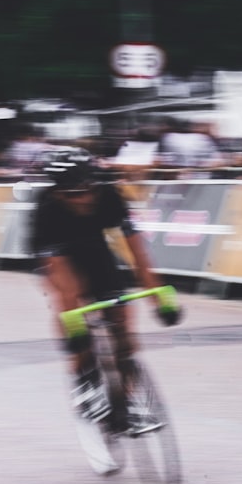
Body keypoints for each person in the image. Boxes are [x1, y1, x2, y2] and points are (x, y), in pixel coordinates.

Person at [29, 148, 182, 440]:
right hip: (58, 257)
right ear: (58, 193)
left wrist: (159, 300)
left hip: (96, 253)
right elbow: (65, 288)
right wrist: (75, 329)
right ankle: (83, 381)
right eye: (72, 194)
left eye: (87, 190)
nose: (83, 199)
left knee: (123, 331)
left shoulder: (109, 195)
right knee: (73, 310)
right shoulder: (46, 208)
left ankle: (127, 406)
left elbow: (139, 255)